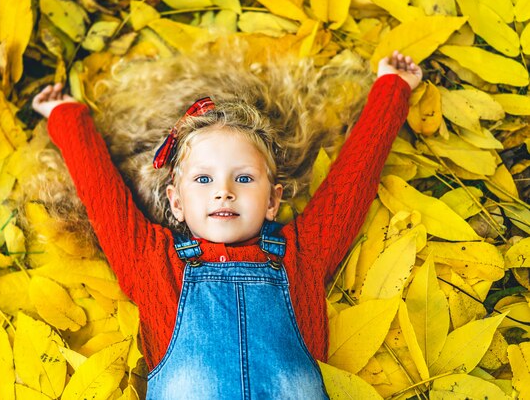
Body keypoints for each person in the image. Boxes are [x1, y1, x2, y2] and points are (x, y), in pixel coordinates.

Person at [32, 50, 422, 399]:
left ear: (273, 201)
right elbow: (102, 192)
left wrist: (393, 89)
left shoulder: (304, 256)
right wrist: (67, 117)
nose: (224, 191)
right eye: (203, 179)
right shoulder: (152, 263)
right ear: (176, 201)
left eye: (245, 178)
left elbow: (352, 183)